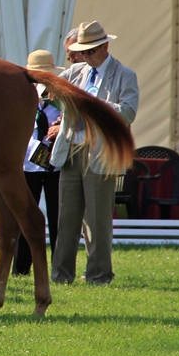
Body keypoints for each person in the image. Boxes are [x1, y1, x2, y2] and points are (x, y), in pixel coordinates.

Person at [50, 21, 139, 285]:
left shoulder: (124, 75)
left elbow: (128, 112)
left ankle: (99, 277)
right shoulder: (76, 71)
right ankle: (60, 276)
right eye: (82, 52)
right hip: (71, 148)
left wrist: (96, 103)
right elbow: (50, 91)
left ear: (105, 47)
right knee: (66, 218)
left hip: (100, 151)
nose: (85, 57)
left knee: (98, 221)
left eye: (90, 52)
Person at [12, 50, 63, 276]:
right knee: (25, 216)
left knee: (57, 218)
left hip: (55, 164)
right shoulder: (20, 98)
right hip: (28, 164)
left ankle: (59, 268)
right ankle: (21, 268)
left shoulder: (60, 100)